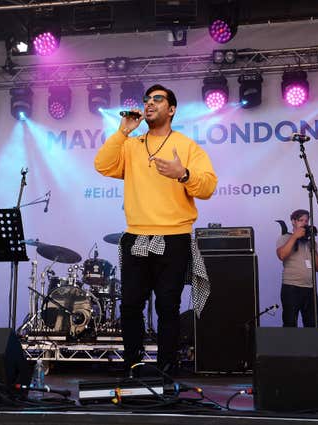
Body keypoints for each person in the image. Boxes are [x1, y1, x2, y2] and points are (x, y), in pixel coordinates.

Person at [94, 84, 217, 375]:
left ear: (171, 109)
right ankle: (133, 366)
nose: (149, 104)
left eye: (157, 99)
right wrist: (123, 131)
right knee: (131, 306)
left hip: (173, 236)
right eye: (147, 100)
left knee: (167, 307)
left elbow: (209, 186)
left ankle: (166, 370)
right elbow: (102, 165)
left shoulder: (187, 146)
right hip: (136, 234)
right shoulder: (131, 145)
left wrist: (183, 174)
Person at [275, 209, 318, 327]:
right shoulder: (285, 238)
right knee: (290, 324)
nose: (304, 223)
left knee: (312, 324)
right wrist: (294, 237)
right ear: (293, 222)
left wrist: (313, 248)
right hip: (291, 288)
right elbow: (282, 255)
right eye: (301, 220)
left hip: (310, 288)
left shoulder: (311, 242)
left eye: (306, 220)